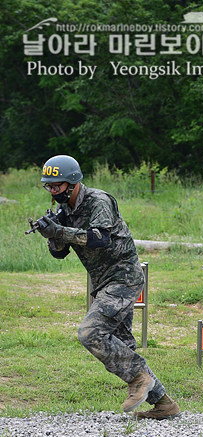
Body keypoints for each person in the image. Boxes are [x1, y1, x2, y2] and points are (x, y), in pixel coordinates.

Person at [37, 155, 180, 420]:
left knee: (90, 333)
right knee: (122, 346)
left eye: (57, 185)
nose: (53, 190)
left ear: (73, 182)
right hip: (104, 282)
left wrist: (60, 232)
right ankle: (164, 404)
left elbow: (99, 239)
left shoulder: (99, 201)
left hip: (123, 278)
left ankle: (138, 378)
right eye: (49, 186)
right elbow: (60, 254)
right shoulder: (65, 211)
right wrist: (52, 235)